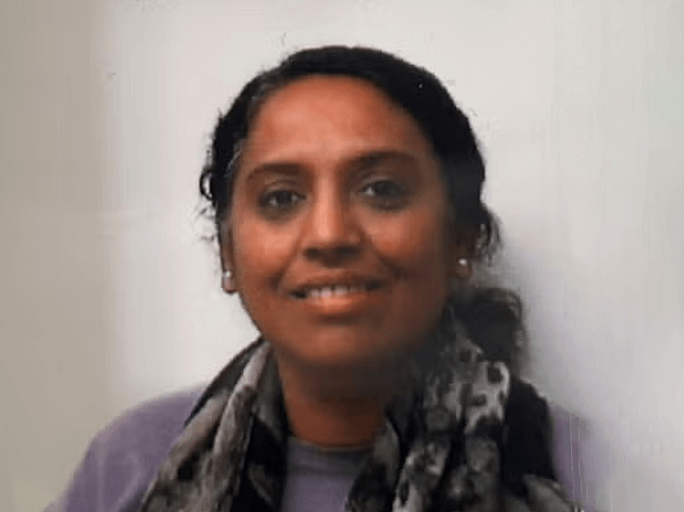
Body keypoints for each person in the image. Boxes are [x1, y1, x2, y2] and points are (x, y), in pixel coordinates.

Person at [48, 46, 586, 512]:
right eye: (281, 197)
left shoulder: (581, 468)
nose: (329, 235)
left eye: (381, 190)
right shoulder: (129, 465)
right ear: (228, 255)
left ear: (461, 240)